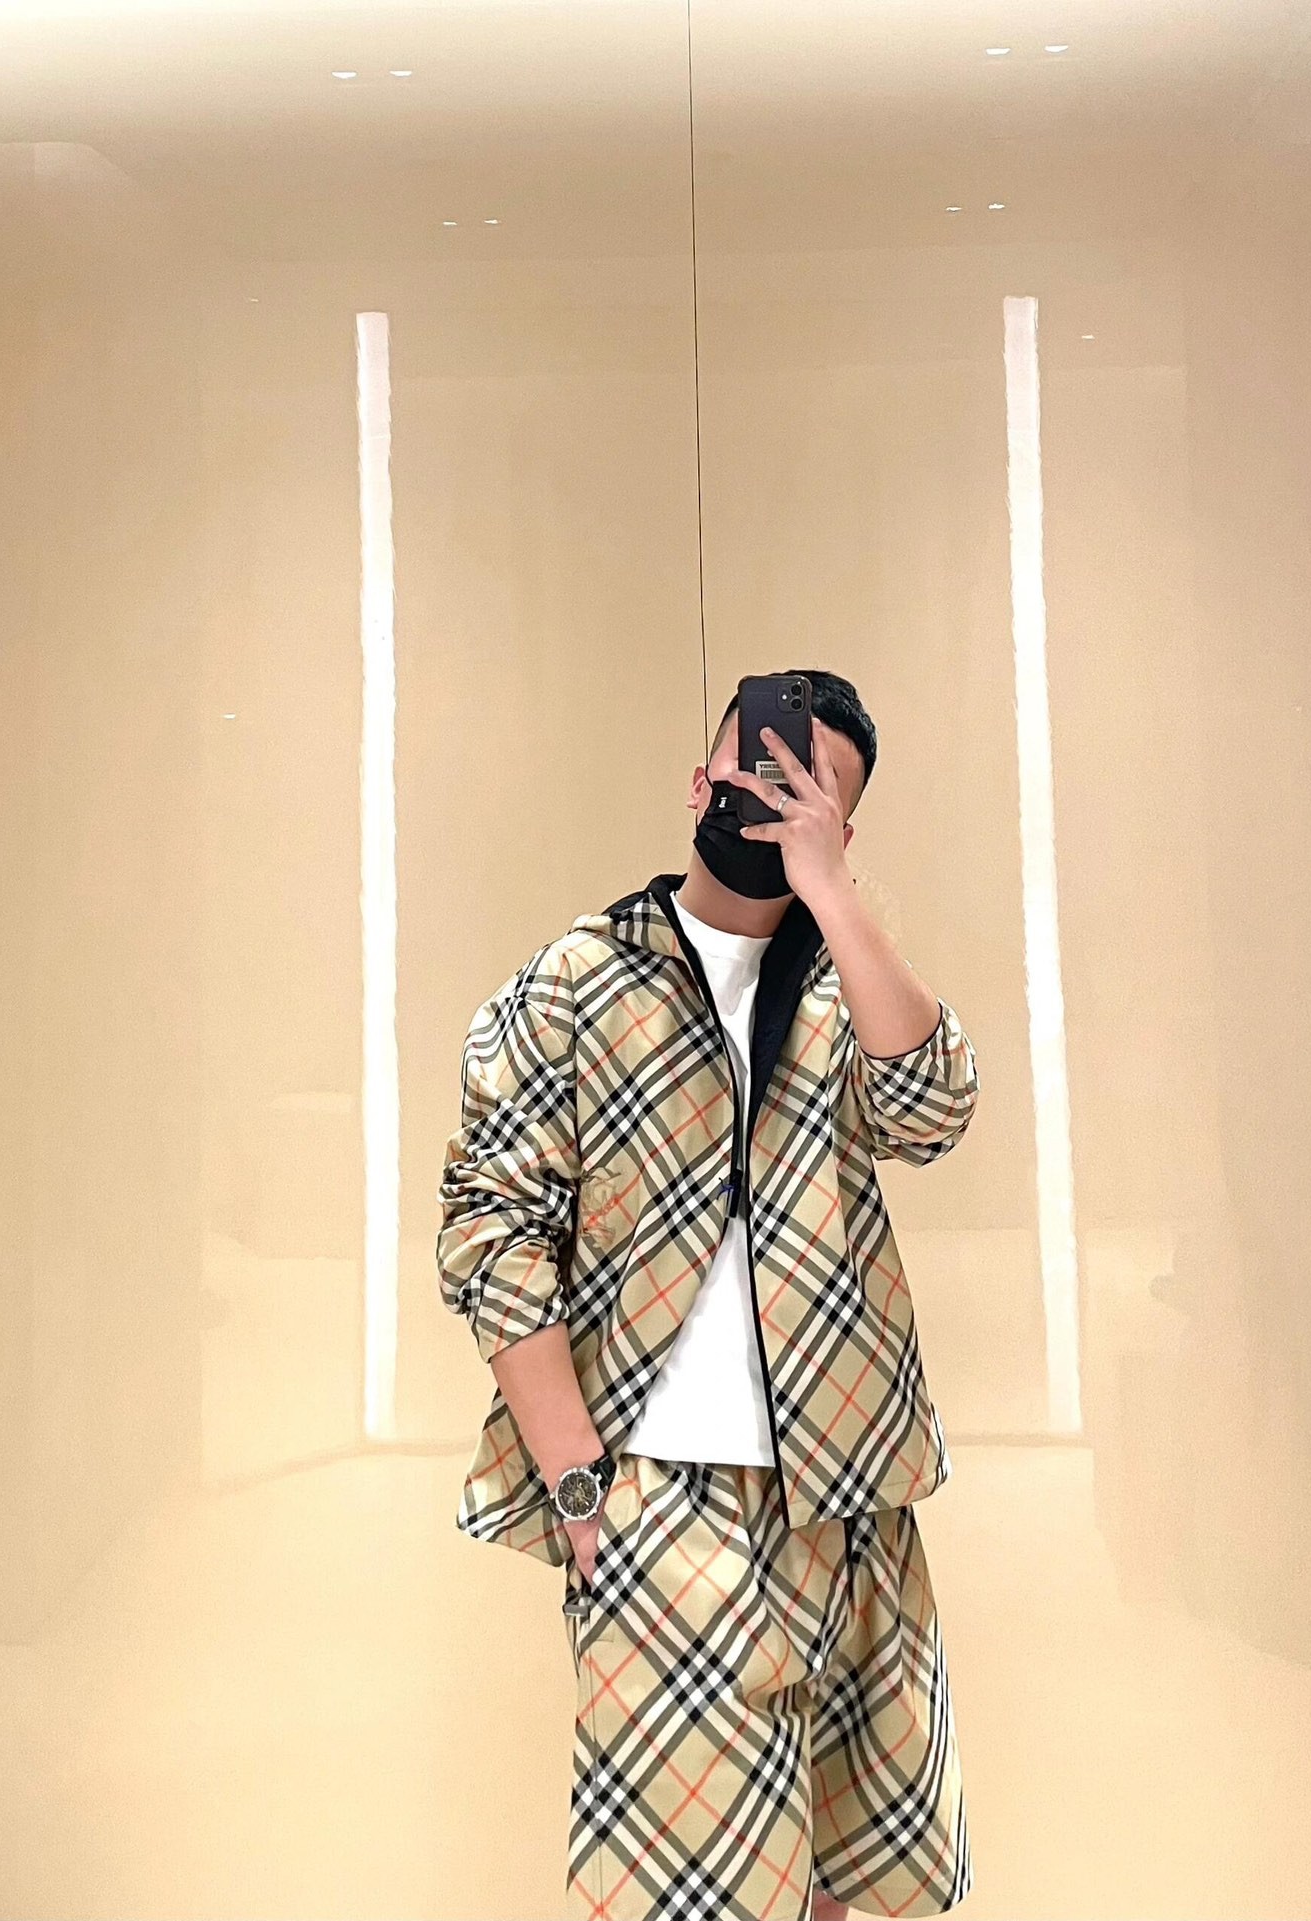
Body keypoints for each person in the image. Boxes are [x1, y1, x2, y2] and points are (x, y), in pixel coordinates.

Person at [437, 669, 981, 1921]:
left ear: (841, 823)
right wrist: (578, 1486)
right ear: (700, 781)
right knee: (684, 1895)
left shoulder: (848, 978)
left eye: (809, 785)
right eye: (753, 763)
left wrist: (832, 895)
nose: (771, 792)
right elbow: (493, 1235)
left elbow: (931, 1111)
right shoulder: (576, 981)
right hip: (657, 1495)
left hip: (849, 1496)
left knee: (849, 1878)